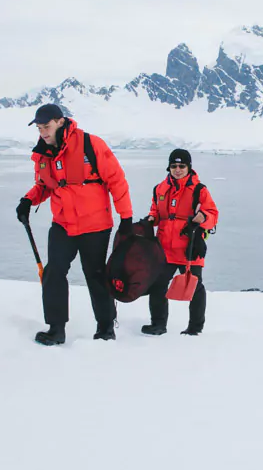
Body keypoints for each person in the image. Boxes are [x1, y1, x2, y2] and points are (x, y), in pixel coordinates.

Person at [16, 104, 132, 345]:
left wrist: (126, 218)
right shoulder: (42, 152)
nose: (43, 133)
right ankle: (56, 329)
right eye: (39, 129)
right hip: (63, 224)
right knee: (54, 272)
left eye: (46, 127)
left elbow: (117, 181)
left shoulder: (90, 144)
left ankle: (106, 328)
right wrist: (28, 200)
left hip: (95, 225)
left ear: (60, 121)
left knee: (96, 275)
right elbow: (45, 185)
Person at [142, 149, 219, 336]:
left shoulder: (200, 190)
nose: (177, 169)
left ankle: (195, 328)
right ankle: (158, 324)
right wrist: (151, 220)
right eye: (174, 166)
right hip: (165, 249)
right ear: (168, 167)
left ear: (189, 167)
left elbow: (213, 214)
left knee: (195, 287)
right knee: (157, 285)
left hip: (190, 248)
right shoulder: (159, 189)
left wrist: (203, 217)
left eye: (181, 166)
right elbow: (156, 212)